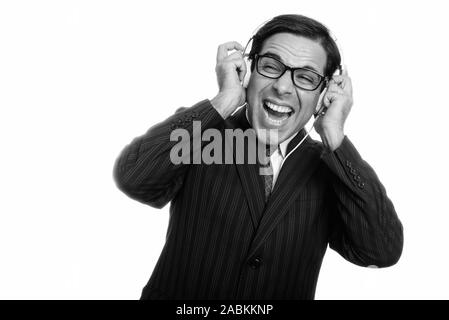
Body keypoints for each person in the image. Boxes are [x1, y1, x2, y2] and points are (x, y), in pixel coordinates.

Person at [113, 14, 403, 300]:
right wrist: (225, 100)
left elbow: (380, 250)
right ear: (248, 68)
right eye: (271, 66)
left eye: (306, 77)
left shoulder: (330, 167)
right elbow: (135, 178)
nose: (283, 87)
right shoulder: (202, 133)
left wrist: (335, 135)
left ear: (324, 92)